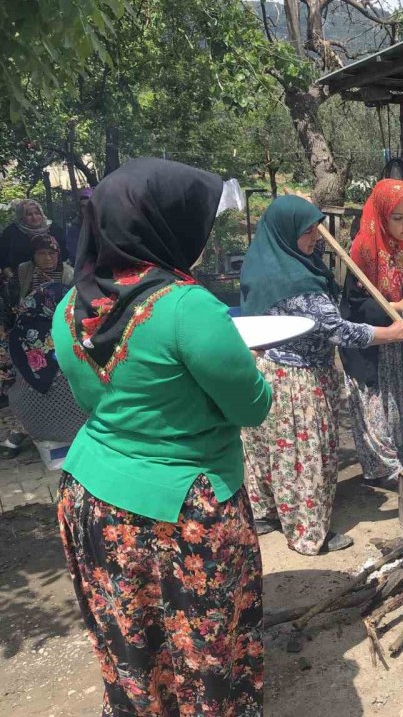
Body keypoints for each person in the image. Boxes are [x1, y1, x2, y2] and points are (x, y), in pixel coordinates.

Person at [51, 158, 272, 716]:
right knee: (203, 656)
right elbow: (253, 406)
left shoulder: (69, 307)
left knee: (133, 644)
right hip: (183, 513)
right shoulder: (186, 307)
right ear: (165, 225)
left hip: (93, 500)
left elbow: (93, 402)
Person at [240, 196, 403, 554]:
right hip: (298, 381)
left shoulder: (266, 261)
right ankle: (309, 535)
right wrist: (389, 334)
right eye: (308, 232)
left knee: (271, 451)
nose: (315, 238)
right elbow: (336, 329)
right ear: (286, 231)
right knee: (307, 459)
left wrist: (392, 307)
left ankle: (268, 513)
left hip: (266, 373)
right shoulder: (294, 279)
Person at [342, 179, 403, 486]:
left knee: (401, 401)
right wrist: (393, 306)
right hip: (372, 342)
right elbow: (355, 305)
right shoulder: (364, 250)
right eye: (397, 218)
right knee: (374, 403)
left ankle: (402, 456)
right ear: (382, 218)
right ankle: (381, 469)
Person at [7, 282, 87, 446]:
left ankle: (15, 437)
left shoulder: (17, 334)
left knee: (21, 392)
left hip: (31, 418)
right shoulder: (69, 331)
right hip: (77, 420)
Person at [0, 198, 67, 274]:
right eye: (29, 214)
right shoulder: (11, 232)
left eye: (37, 213)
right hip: (21, 276)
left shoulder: (54, 229)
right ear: (21, 216)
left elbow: (64, 254)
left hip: (56, 275)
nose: (34, 217)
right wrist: (13, 279)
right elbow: (3, 260)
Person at [16, 234, 74, 302]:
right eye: (41, 253)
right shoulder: (23, 270)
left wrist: (54, 287)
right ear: (33, 255)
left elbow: (73, 303)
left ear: (58, 254)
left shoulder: (70, 274)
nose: (48, 258)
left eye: (51, 253)